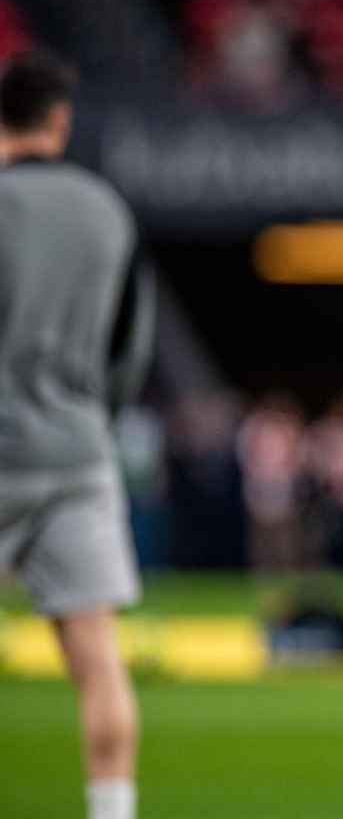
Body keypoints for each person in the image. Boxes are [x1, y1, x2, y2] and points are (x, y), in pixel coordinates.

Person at [0, 49, 155, 819]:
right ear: (60, 119)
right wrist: (93, 418)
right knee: (98, 663)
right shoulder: (108, 211)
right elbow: (131, 350)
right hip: (77, 453)